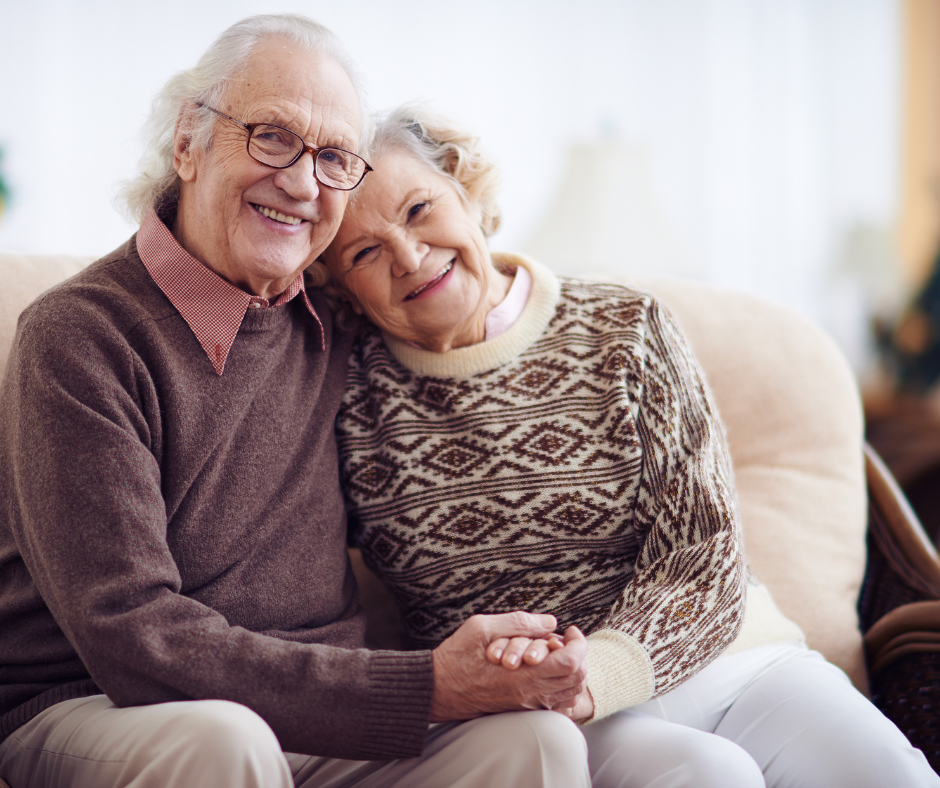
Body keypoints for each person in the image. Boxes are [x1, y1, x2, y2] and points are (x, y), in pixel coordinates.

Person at [0, 16, 594, 788]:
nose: (304, 184)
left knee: (537, 746)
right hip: (101, 705)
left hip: (315, 714)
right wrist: (425, 687)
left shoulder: (335, 315)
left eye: (336, 158)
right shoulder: (79, 337)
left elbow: (457, 305)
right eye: (273, 137)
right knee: (223, 740)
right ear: (188, 142)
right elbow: (129, 633)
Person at [322, 104, 940, 787]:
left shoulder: (624, 328)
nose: (409, 257)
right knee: (711, 777)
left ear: (466, 189)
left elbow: (703, 551)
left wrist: (602, 673)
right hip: (542, 719)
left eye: (417, 209)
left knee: (893, 775)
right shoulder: (349, 398)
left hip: (731, 663)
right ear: (341, 287)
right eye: (364, 252)